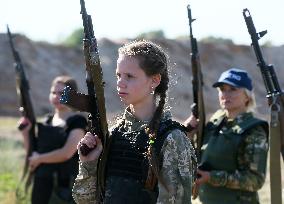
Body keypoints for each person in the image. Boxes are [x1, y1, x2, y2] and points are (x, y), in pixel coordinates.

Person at [72, 40, 196, 204]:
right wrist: (89, 164)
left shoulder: (172, 139)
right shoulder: (113, 134)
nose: (120, 83)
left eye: (129, 76)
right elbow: (85, 200)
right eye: (118, 75)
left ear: (154, 80)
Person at [185, 68, 269, 204]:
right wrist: (188, 134)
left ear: (247, 96)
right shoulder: (215, 121)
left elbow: (255, 180)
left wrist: (212, 177)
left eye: (233, 89)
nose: (225, 94)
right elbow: (198, 157)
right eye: (222, 89)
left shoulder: (254, 131)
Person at [18, 75, 87, 204]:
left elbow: (66, 153)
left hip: (63, 188)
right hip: (41, 183)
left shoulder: (78, 122)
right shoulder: (47, 120)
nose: (56, 96)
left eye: (61, 93)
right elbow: (33, 151)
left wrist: (39, 159)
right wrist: (26, 133)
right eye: (53, 92)